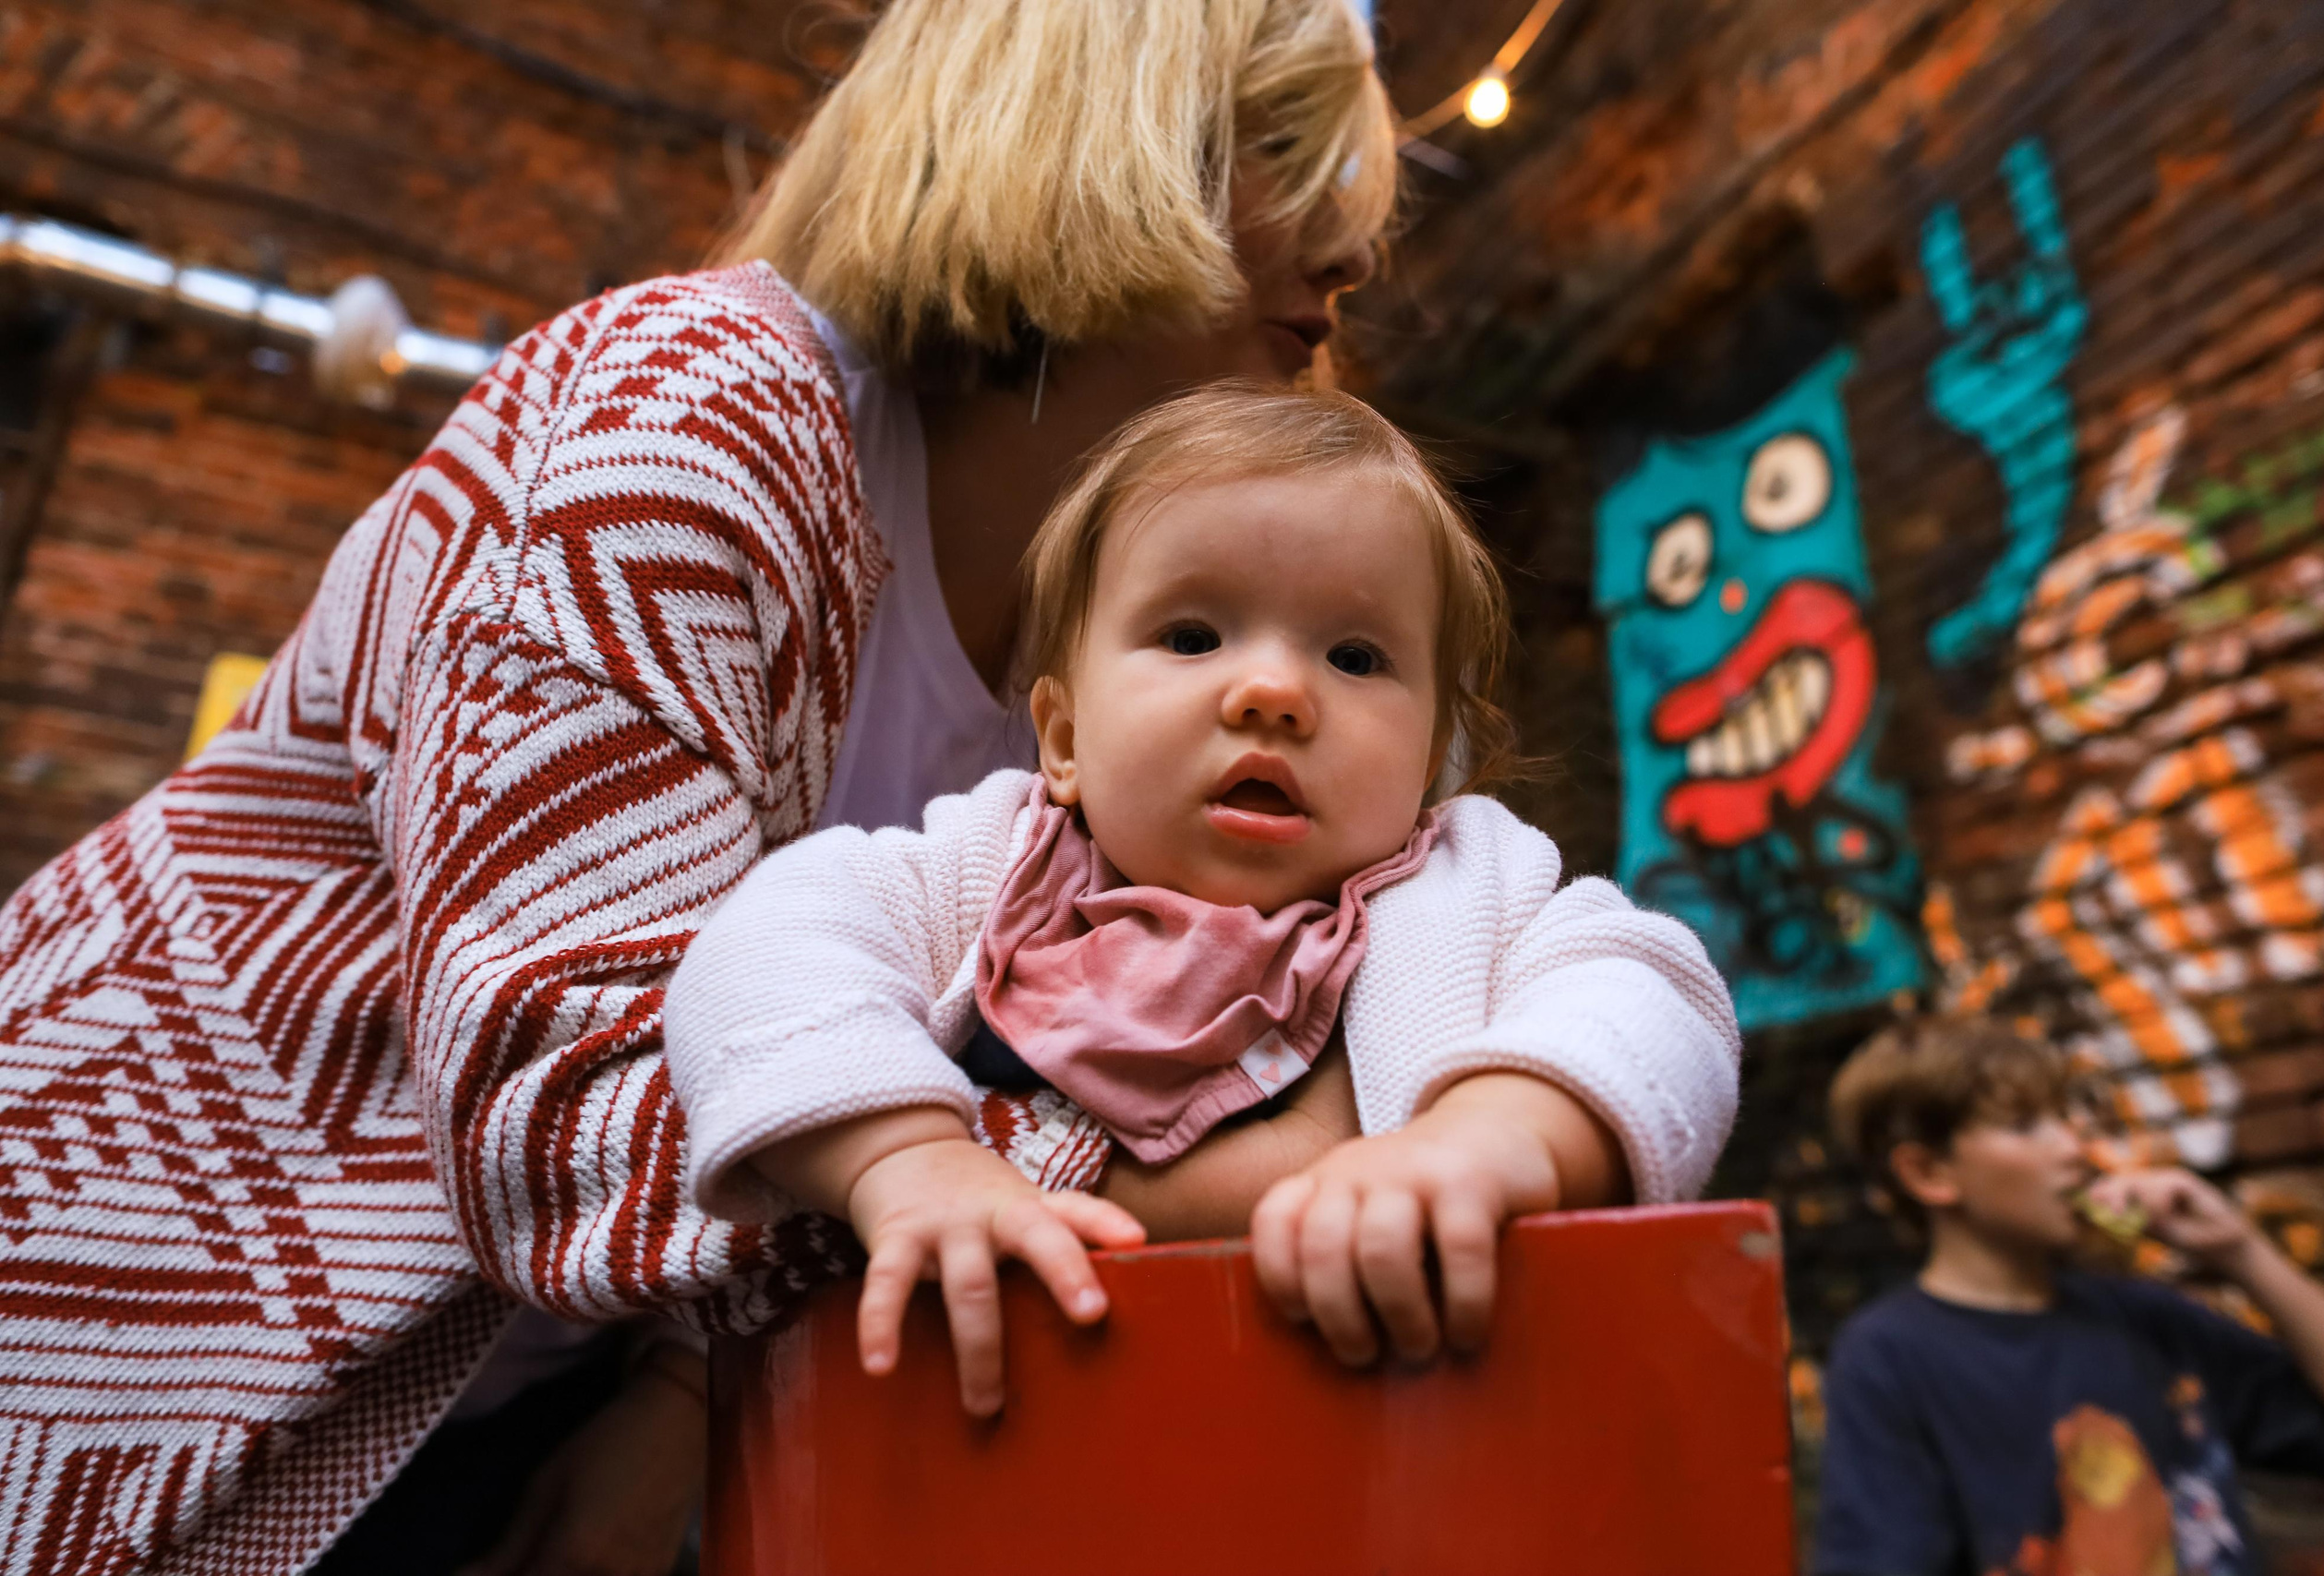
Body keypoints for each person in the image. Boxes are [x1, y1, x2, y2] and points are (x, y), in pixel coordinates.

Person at [0, 2, 1420, 1572]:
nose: (1354, 253)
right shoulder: (690, 404)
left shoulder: (1126, 616)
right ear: (1096, 131)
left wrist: (684, 1390)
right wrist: (1228, 1178)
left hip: (526, 1387)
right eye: (1292, 153)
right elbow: (564, 1072)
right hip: (139, 1340)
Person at [665, 385, 1742, 1414]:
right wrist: (902, 1158)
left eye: (1356, 656)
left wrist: (1493, 1135)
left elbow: (1657, 994)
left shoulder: (1471, 888)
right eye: (1192, 637)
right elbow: (761, 951)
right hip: (994, 1438)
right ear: (1066, 738)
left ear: (1429, 758)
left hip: (1378, 1431)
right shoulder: (978, 869)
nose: (1272, 692)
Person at [1814, 1017, 2324, 1576]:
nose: (2076, 1148)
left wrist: (2241, 1250)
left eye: (2068, 1119)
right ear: (1929, 1172)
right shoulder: (1889, 1356)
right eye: (2026, 1125)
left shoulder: (2142, 1317)